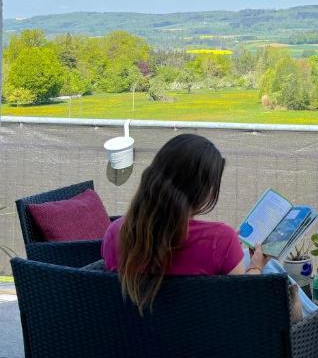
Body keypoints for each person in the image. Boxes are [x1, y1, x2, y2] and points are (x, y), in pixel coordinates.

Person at [101, 133, 290, 314]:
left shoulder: (115, 232)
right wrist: (256, 267)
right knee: (274, 270)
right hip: (206, 345)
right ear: (202, 191)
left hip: (132, 342)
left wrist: (226, 250)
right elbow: (241, 302)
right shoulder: (220, 239)